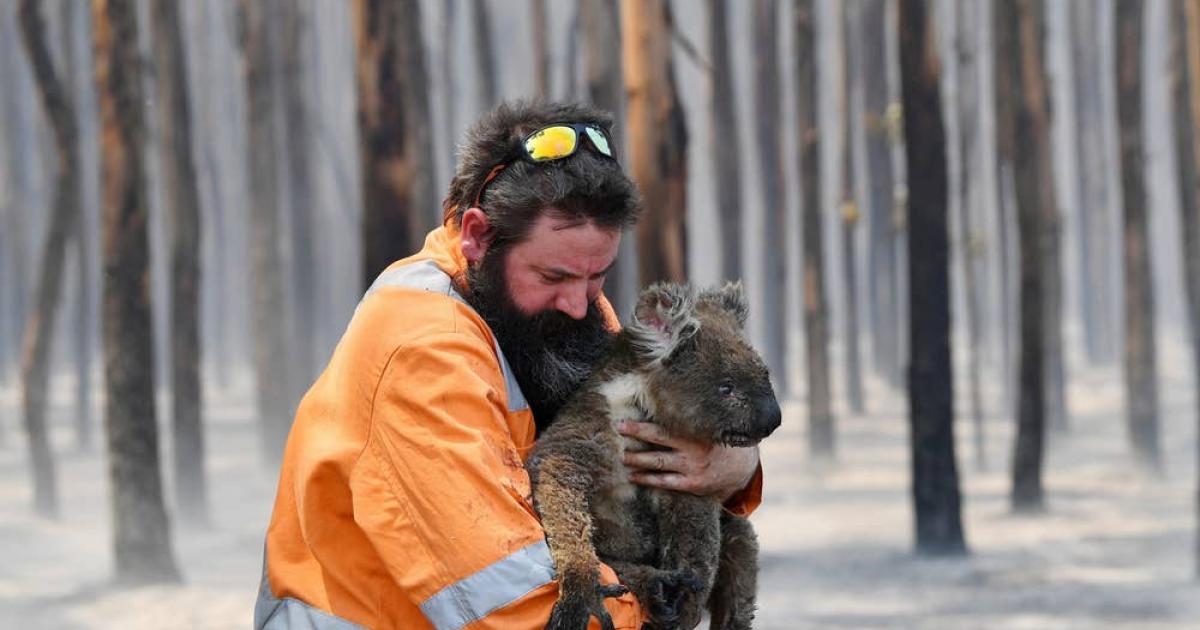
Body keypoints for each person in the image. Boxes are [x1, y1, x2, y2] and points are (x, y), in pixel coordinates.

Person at [254, 101, 764, 630]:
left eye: (598, 276)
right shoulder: (422, 351)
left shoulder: (564, 312)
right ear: (478, 235)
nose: (578, 301)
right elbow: (508, 602)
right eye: (553, 276)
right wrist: (663, 608)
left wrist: (736, 468)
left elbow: (651, 445)